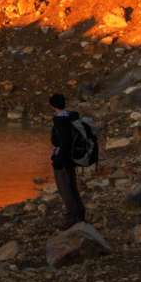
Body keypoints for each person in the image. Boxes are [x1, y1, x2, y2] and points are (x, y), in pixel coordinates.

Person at [49, 93, 86, 229]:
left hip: (63, 160)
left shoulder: (60, 121)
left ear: (52, 105)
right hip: (72, 158)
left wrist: (57, 160)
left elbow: (63, 142)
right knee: (72, 186)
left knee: (65, 189)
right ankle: (80, 214)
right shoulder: (72, 116)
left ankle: (73, 218)